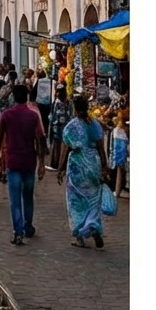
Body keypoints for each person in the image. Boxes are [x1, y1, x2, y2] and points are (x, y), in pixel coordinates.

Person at [0, 83, 46, 245]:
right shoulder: (33, 116)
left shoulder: (7, 115)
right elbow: (39, 140)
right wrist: (42, 163)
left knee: (15, 199)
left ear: (14, 97)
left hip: (13, 160)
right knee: (28, 196)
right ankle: (28, 226)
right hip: (29, 161)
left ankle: (18, 232)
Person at [58, 94, 108, 248]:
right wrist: (104, 167)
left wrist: (60, 169)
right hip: (93, 164)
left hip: (77, 167)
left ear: (74, 108)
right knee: (93, 200)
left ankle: (79, 236)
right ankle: (92, 225)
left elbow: (64, 150)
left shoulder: (71, 127)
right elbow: (101, 148)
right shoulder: (95, 125)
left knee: (75, 201)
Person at [46, 85, 70, 169]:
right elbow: (53, 114)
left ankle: (61, 163)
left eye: (60, 92)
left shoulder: (67, 102)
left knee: (62, 144)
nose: (58, 93)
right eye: (57, 91)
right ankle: (56, 163)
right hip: (57, 126)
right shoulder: (56, 102)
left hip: (63, 126)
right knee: (56, 144)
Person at [110, 111, 129, 199]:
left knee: (120, 168)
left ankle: (117, 191)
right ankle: (118, 191)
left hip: (120, 136)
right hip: (121, 136)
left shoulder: (118, 129)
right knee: (120, 168)